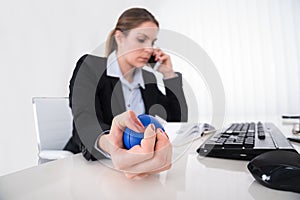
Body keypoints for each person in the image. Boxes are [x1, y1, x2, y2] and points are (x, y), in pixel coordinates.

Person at [64, 8, 188, 178]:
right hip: (91, 168)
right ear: (119, 37)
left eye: (152, 42)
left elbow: (177, 120)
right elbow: (85, 121)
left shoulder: (147, 77)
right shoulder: (91, 67)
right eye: (141, 39)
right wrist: (112, 147)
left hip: (141, 169)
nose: (148, 49)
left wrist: (169, 75)